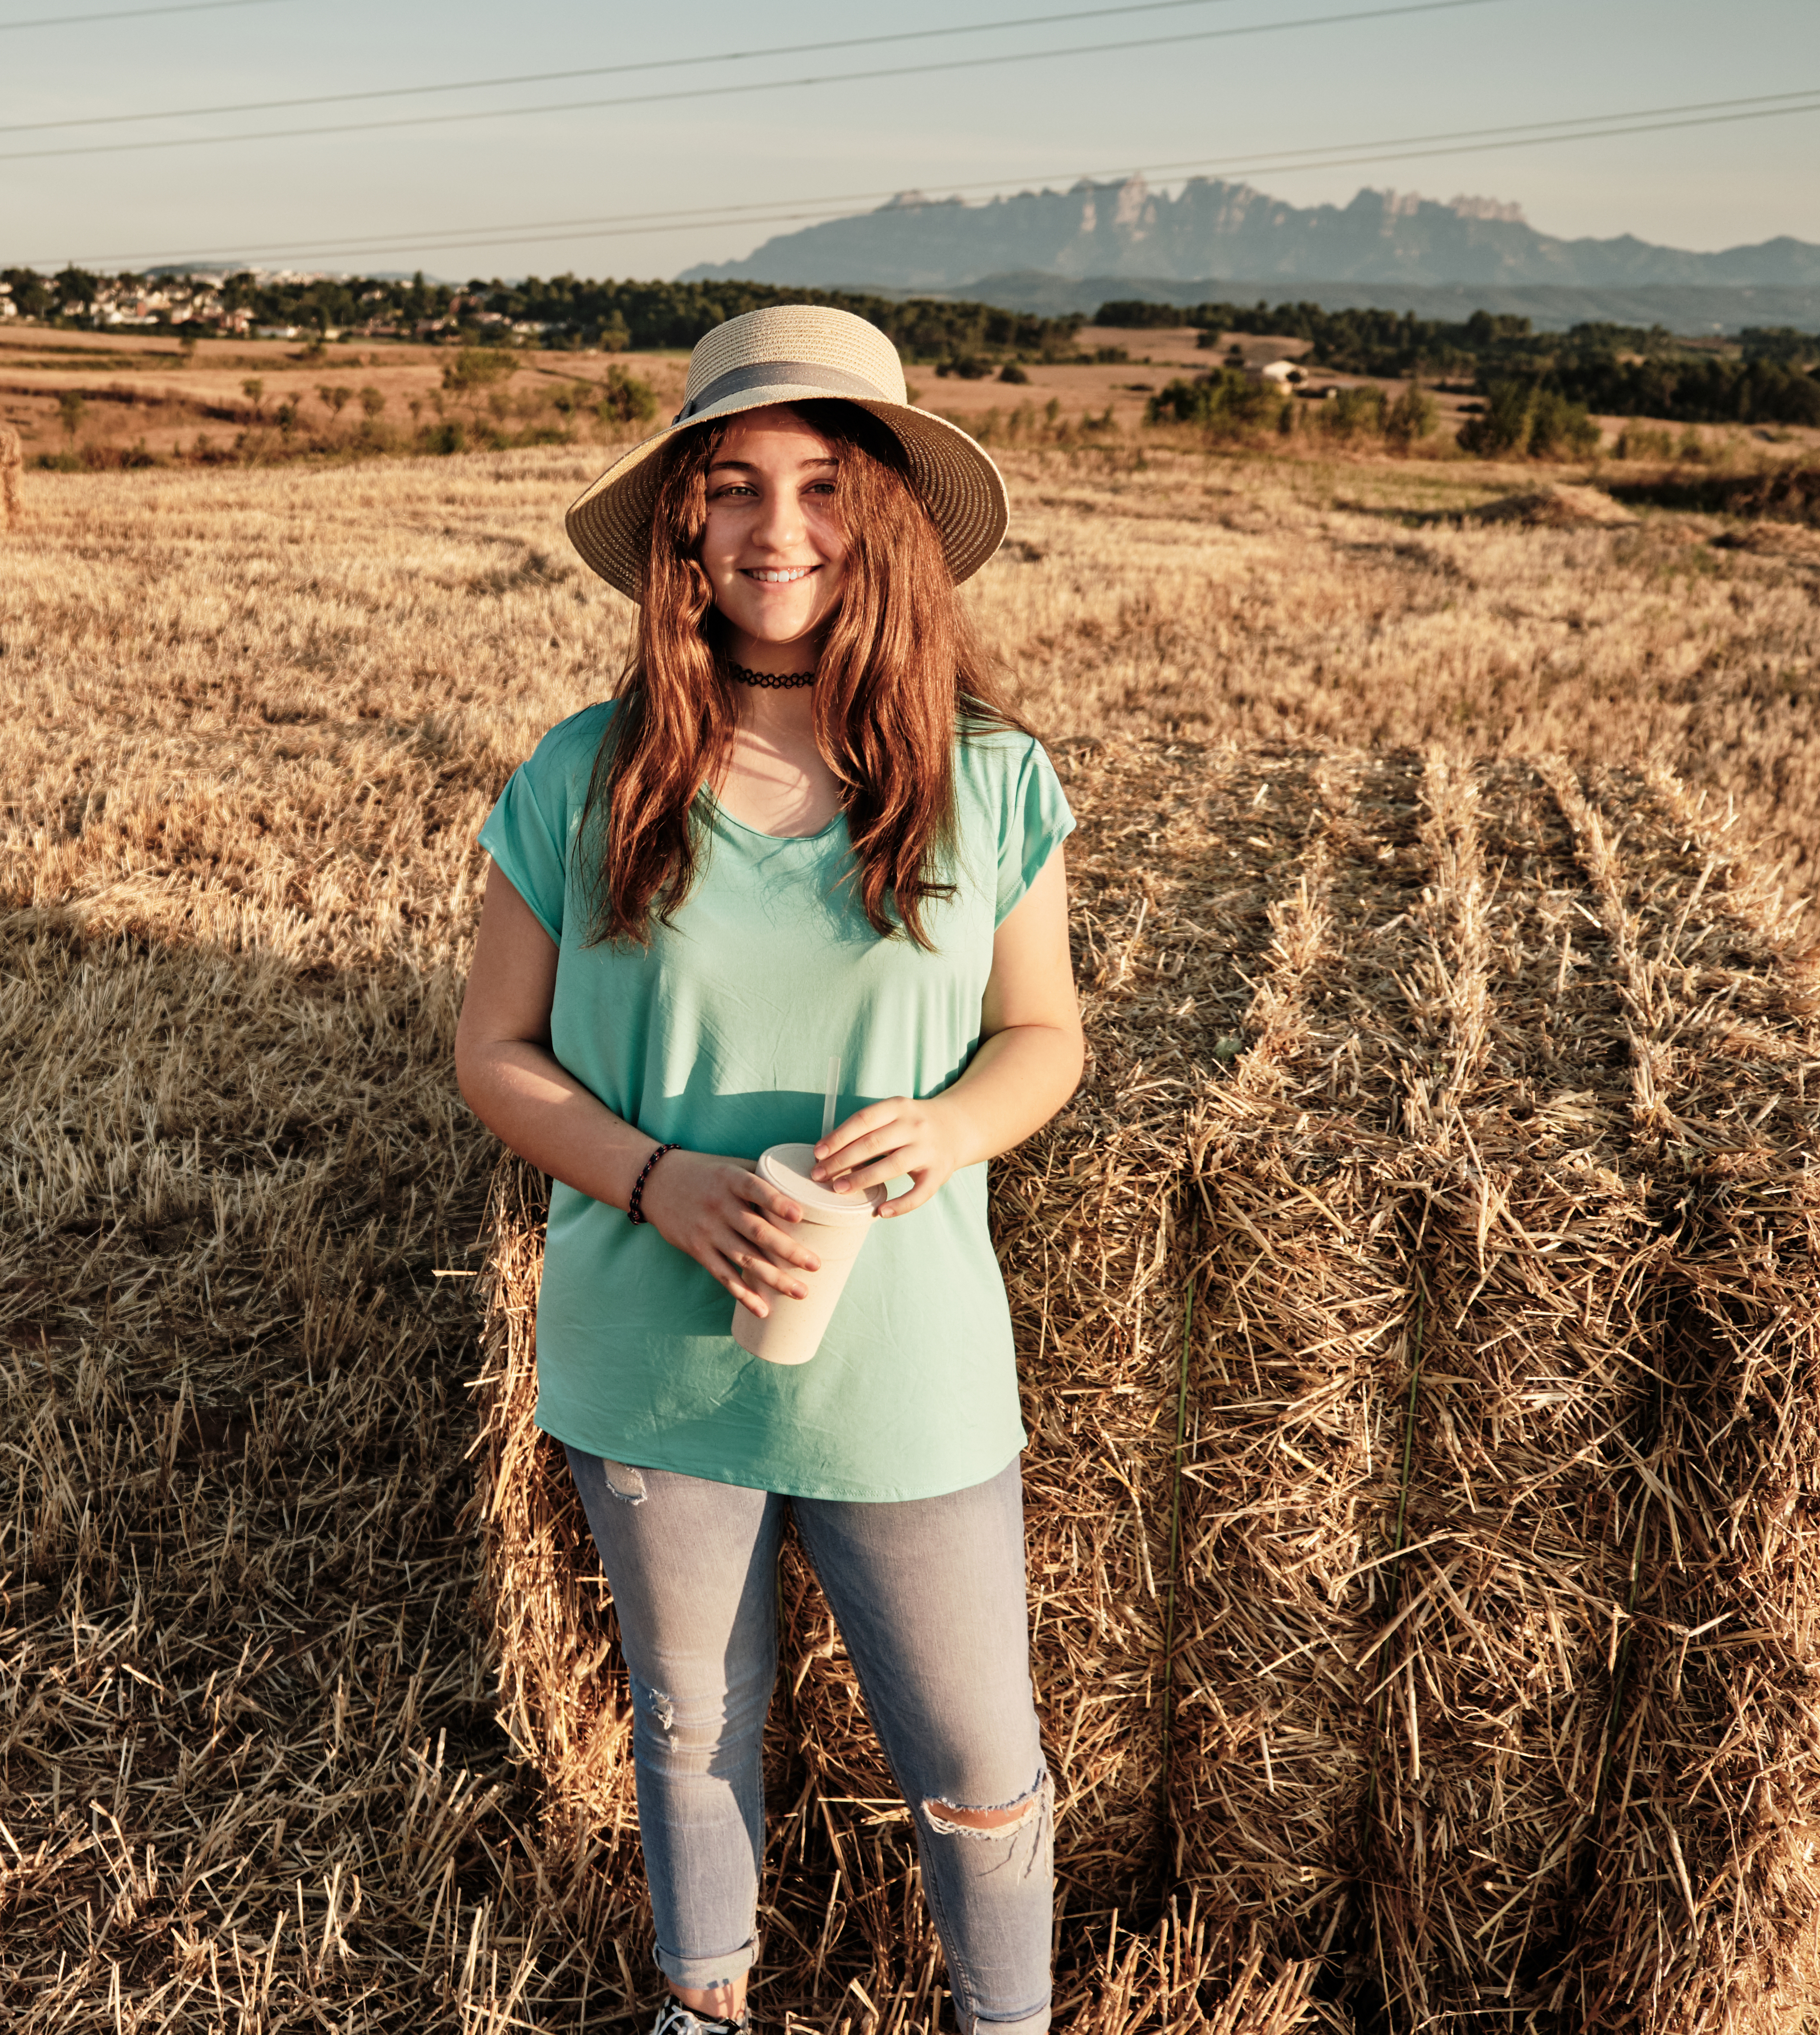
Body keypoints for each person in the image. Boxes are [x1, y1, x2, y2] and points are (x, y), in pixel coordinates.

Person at [455, 305, 1083, 2034]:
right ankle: (703, 2007)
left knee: (975, 1751)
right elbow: (493, 1054)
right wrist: (657, 1179)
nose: (776, 530)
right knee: (690, 1724)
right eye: (733, 487)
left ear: (882, 515)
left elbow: (1048, 1038)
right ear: (684, 523)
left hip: (906, 1359)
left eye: (820, 485)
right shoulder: (586, 780)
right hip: (649, 1348)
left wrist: (955, 1124)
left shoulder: (989, 780)